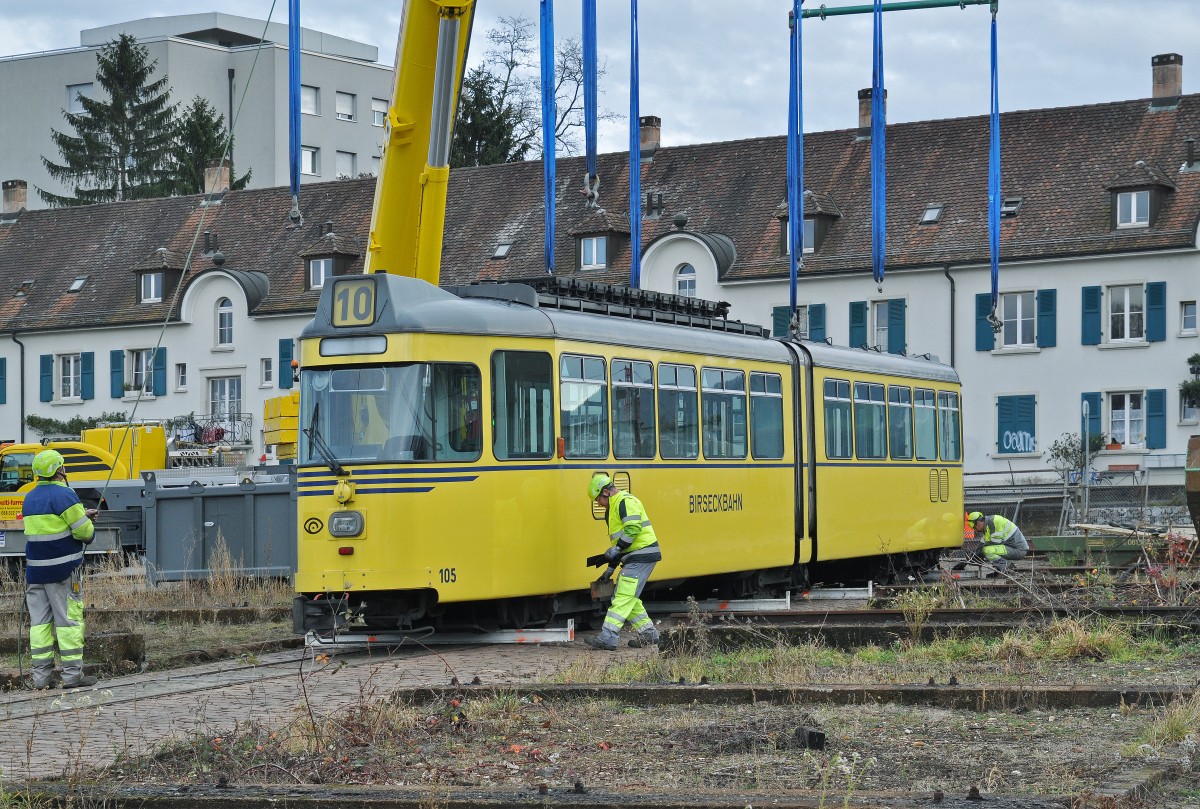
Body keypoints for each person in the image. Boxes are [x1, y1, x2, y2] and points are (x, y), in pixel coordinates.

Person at [23, 449, 98, 690]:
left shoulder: (30, 497)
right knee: (69, 622)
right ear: (59, 470)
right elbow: (84, 533)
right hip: (64, 571)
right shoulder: (65, 495)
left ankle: (42, 679)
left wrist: (79, 516)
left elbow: (51, 524)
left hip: (35, 573)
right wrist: (86, 520)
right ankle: (72, 676)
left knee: (40, 624)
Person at [585, 472, 662, 650]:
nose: (597, 503)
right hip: (634, 556)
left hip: (641, 555)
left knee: (622, 597)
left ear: (605, 492)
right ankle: (649, 634)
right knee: (629, 597)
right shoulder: (612, 509)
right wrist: (610, 569)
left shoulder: (625, 501)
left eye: (598, 499)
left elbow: (633, 529)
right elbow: (618, 546)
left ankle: (608, 637)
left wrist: (618, 549)